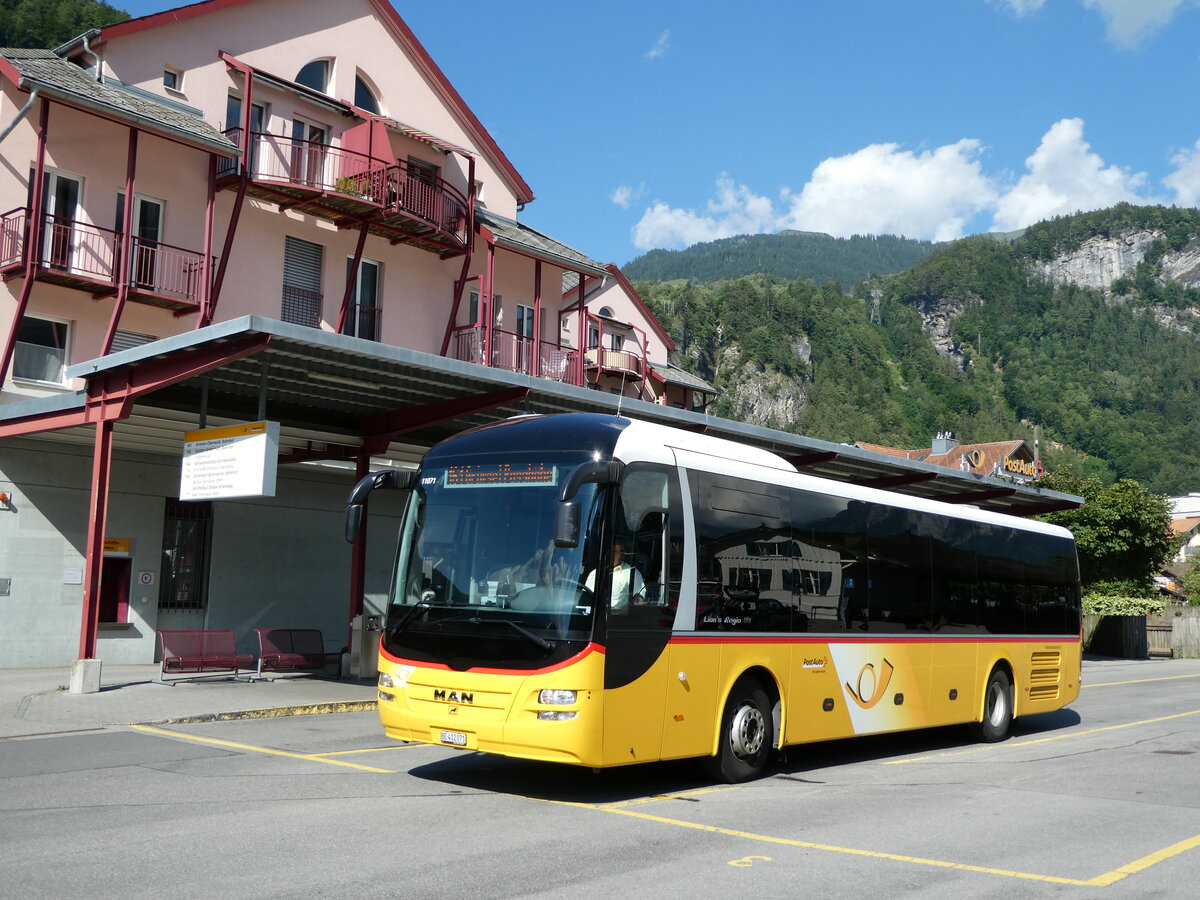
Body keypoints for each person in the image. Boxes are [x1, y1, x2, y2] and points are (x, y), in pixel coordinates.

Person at [584, 541, 644, 609]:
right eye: (608, 551)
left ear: (622, 555)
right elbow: (584, 597)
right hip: (592, 615)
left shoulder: (632, 573)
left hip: (616, 617)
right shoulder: (594, 573)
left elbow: (639, 602)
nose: (610, 554)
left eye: (614, 551)